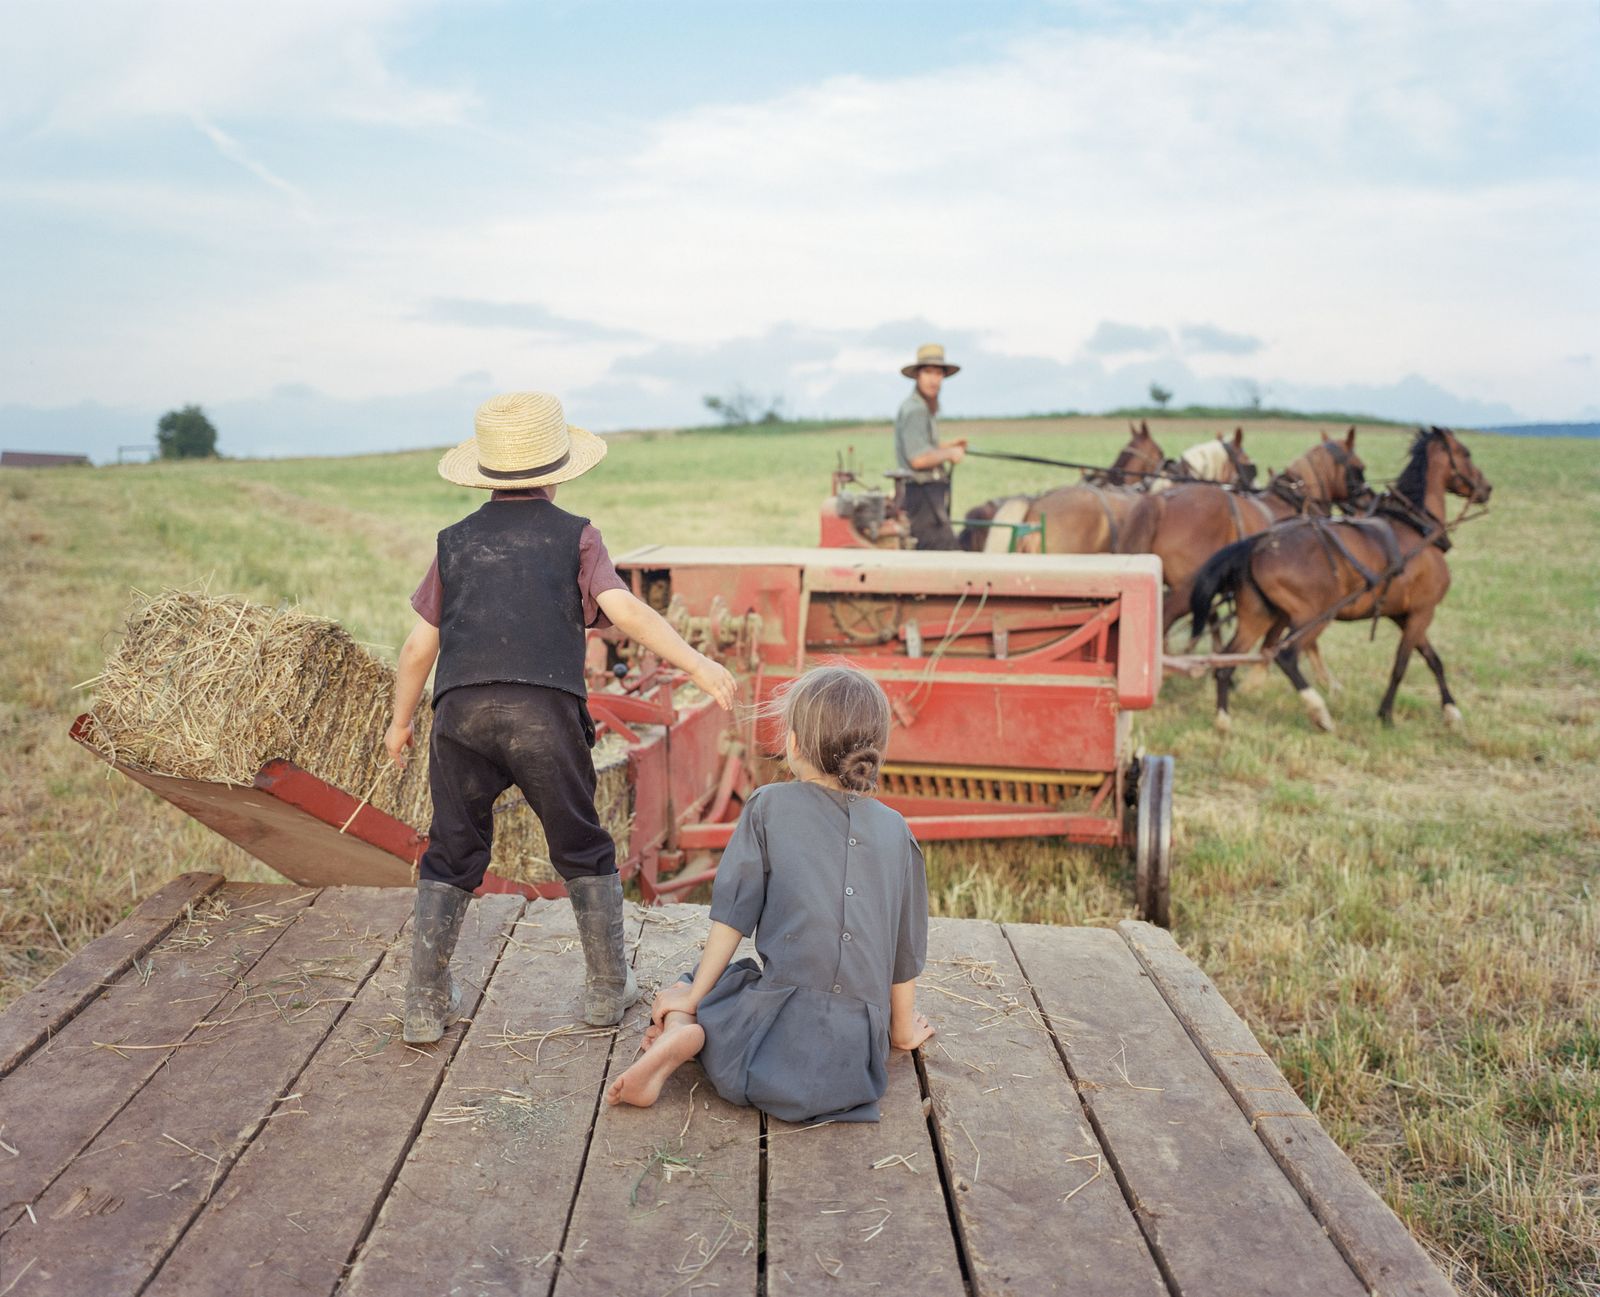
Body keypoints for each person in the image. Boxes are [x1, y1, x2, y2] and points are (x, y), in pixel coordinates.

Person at [385, 391, 737, 1045]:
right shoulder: (576, 535)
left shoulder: (454, 542)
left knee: (452, 848)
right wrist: (695, 663)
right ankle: (606, 989)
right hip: (543, 712)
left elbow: (417, 647)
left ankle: (424, 1002)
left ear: (486, 474)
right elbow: (623, 610)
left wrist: (400, 722)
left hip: (460, 711)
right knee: (581, 845)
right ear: (556, 470)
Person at [604, 664, 935, 1122]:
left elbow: (732, 918)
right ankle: (689, 1025)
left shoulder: (768, 806)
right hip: (854, 1068)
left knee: (715, 977)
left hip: (759, 1053)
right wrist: (901, 1031)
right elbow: (904, 951)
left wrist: (693, 996)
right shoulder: (897, 830)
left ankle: (682, 1029)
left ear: (794, 743)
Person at [894, 343, 967, 551]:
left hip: (927, 496)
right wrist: (950, 453)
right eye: (928, 372)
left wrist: (947, 446)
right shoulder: (915, 410)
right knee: (947, 552)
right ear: (918, 375)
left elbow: (923, 445)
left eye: (938, 373)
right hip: (921, 498)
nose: (934, 380)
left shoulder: (923, 406)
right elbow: (918, 459)